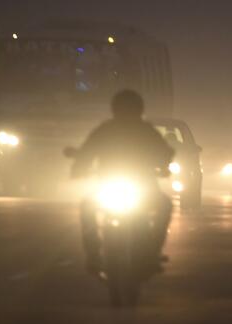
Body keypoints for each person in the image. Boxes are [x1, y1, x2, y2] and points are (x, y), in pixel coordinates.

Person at [70, 90, 174, 274]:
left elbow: (164, 153)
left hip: (144, 188)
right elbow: (86, 152)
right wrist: (79, 167)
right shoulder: (107, 130)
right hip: (108, 186)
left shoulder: (145, 131)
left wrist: (164, 164)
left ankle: (152, 251)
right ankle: (93, 254)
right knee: (87, 206)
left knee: (165, 206)